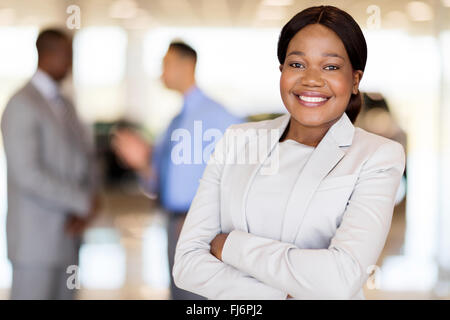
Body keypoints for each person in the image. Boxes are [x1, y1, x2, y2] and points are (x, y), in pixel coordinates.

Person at [173, 6, 406, 299]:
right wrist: (283, 295)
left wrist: (230, 245)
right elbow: (187, 264)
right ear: (281, 70)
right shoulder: (237, 140)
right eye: (297, 64)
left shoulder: (378, 156)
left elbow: (339, 279)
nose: (311, 79)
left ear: (355, 80)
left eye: (331, 67)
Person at [112, 41, 243, 299]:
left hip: (202, 228)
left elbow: (243, 176)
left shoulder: (219, 116)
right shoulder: (175, 121)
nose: (161, 73)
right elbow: (158, 179)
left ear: (188, 65)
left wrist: (206, 221)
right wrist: (141, 161)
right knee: (180, 292)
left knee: (197, 296)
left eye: (166, 65)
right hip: (175, 224)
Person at [1, 29, 100, 300]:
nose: (70, 64)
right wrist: (82, 201)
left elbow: (84, 157)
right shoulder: (21, 103)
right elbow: (27, 173)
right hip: (35, 243)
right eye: (68, 55)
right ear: (49, 54)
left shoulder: (65, 104)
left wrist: (90, 199)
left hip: (68, 237)